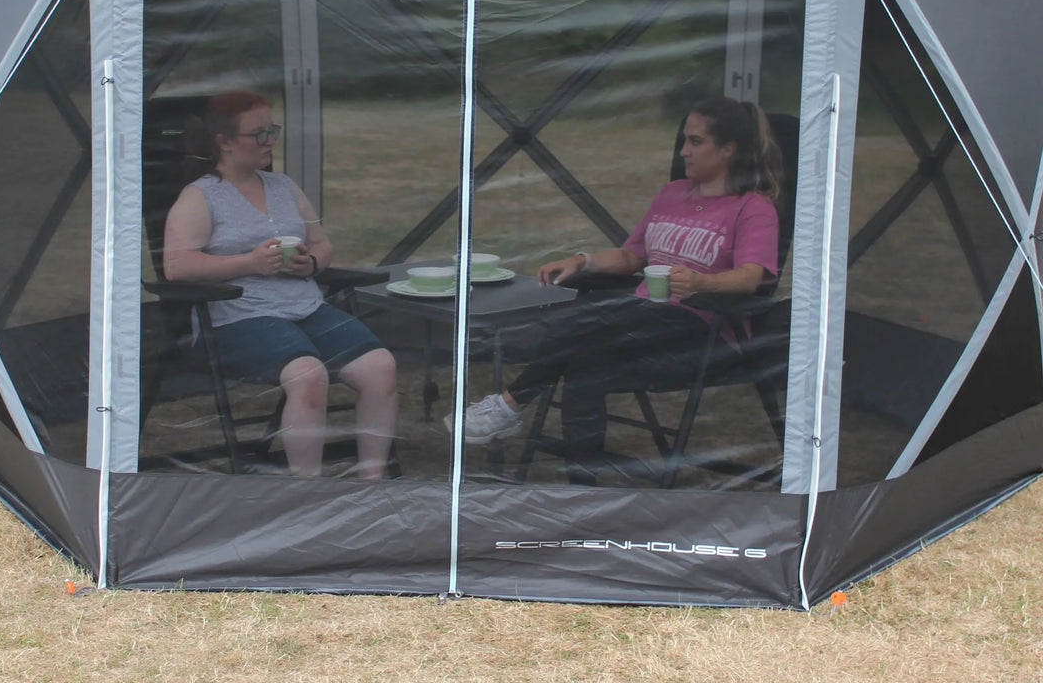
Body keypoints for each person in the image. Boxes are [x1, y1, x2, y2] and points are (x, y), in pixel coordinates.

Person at [449, 96, 783, 466]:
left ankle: (509, 405)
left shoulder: (753, 207)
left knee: (591, 317)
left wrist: (703, 284)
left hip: (701, 331)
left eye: (696, 142)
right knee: (584, 368)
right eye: (684, 140)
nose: (684, 151)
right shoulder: (672, 194)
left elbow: (752, 277)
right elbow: (631, 256)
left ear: (728, 149)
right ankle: (583, 482)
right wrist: (581, 260)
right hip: (639, 320)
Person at [163, 91, 398, 478]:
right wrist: (249, 262)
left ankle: (372, 481)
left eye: (272, 130)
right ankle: (306, 490)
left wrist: (311, 263)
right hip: (238, 315)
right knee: (309, 375)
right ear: (224, 142)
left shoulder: (282, 185)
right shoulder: (201, 196)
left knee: (380, 367)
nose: (270, 140)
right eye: (258, 134)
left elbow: (322, 243)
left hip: (303, 306)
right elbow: (176, 266)